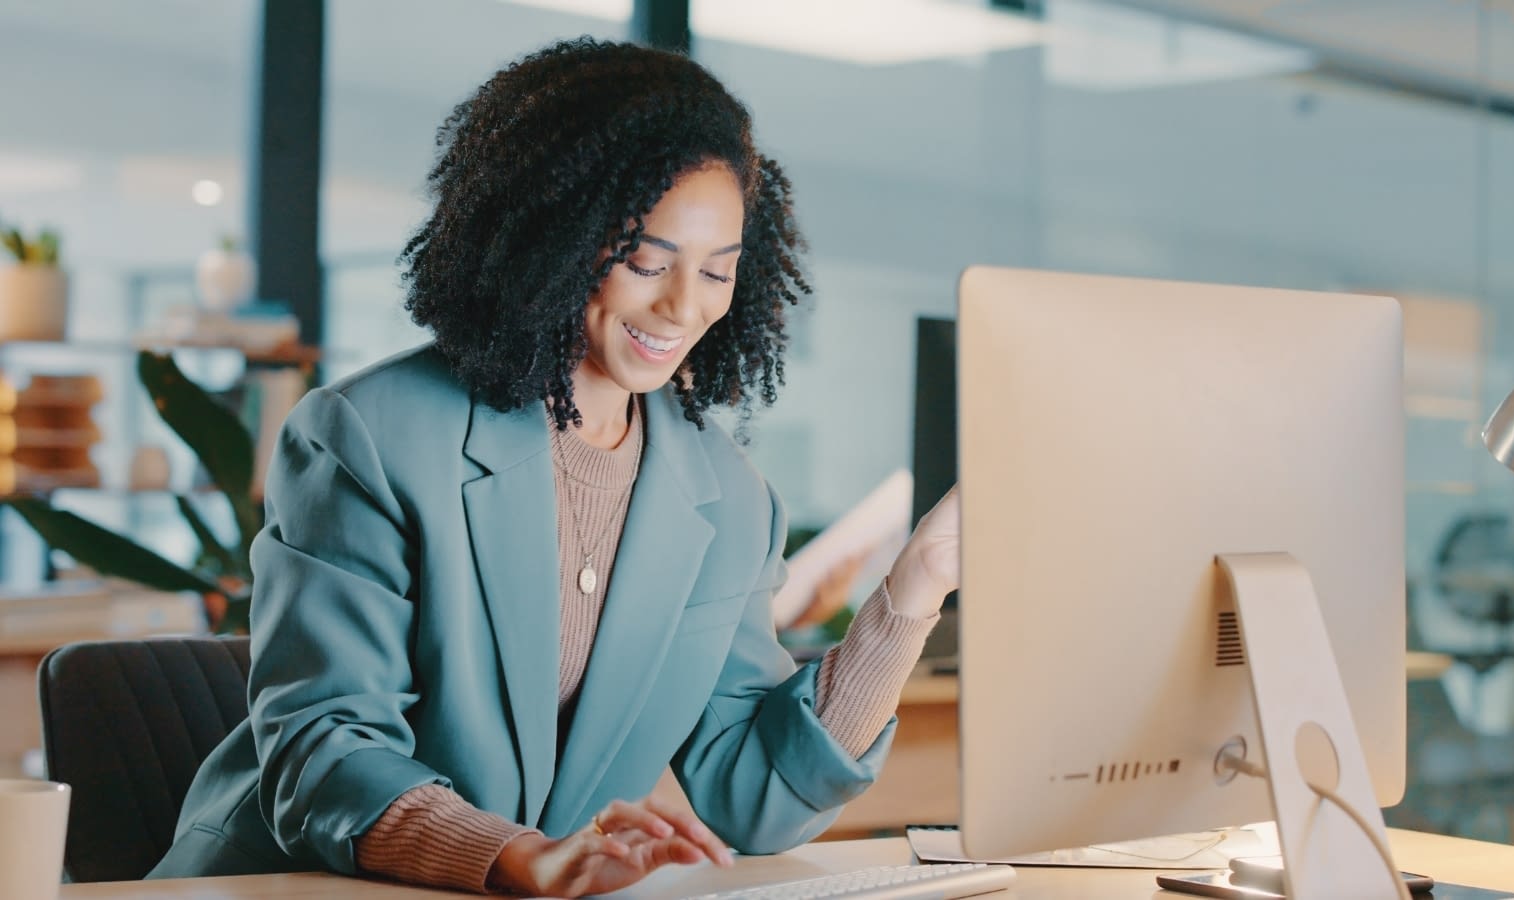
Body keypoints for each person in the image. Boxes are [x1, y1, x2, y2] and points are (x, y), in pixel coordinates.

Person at [149, 38, 958, 897]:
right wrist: (513, 855)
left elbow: (753, 798)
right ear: (557, 236)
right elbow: (325, 749)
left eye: (718, 272)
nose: (684, 306)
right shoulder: (370, 437)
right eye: (647, 261)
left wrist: (915, 591)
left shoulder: (727, 499)